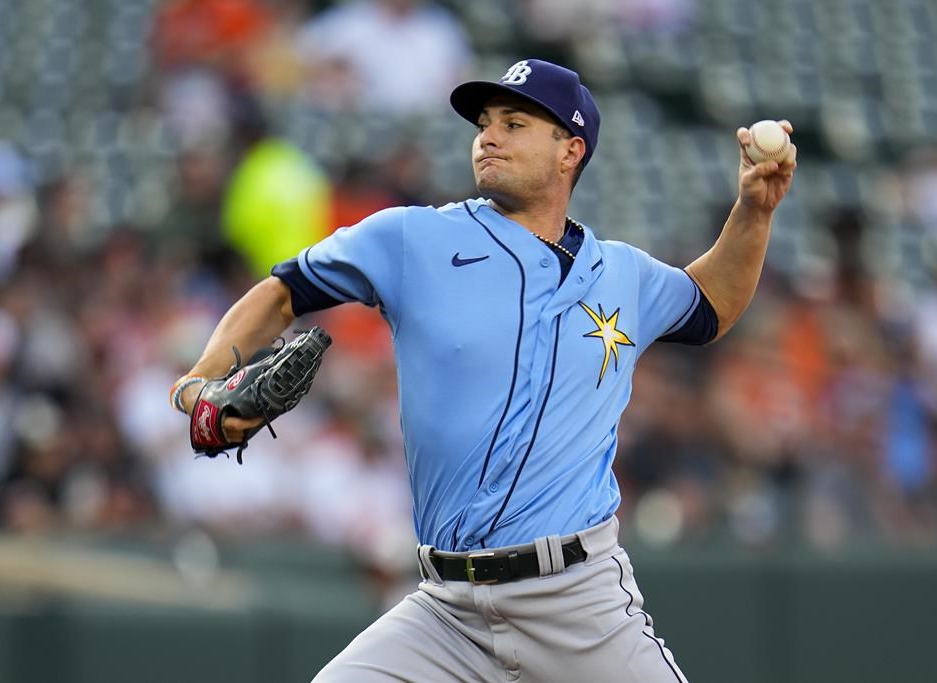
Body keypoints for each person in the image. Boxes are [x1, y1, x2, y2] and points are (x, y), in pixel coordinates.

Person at [173, 59, 796, 682]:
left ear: (569, 151)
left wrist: (755, 212)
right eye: (485, 122)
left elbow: (711, 303)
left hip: (579, 606)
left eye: (515, 123)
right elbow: (282, 291)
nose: (488, 136)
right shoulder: (411, 238)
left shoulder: (623, 274)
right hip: (447, 613)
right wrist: (200, 381)